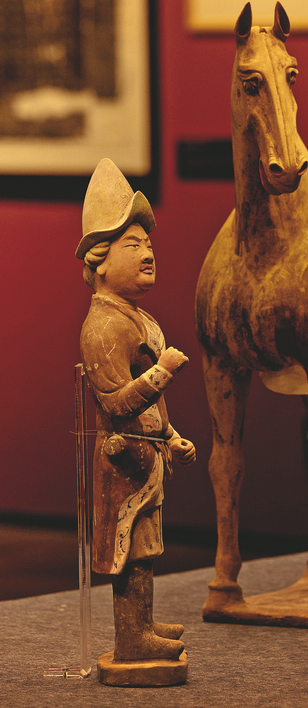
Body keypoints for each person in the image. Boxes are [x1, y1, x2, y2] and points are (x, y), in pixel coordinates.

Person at [77, 159, 195, 667]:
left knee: (146, 546)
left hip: (146, 457)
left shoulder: (134, 317)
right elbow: (115, 403)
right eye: (133, 244)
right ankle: (132, 640)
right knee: (130, 550)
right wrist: (162, 372)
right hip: (124, 462)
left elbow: (150, 411)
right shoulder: (103, 326)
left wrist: (170, 436)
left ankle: (141, 626)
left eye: (148, 244)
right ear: (100, 261)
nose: (148, 253)